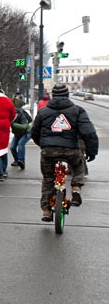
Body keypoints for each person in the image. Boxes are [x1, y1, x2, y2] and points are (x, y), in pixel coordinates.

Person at [31, 84, 98, 222]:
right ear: (67, 95)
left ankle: (46, 210)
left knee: (48, 179)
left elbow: (34, 132)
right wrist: (91, 151)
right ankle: (76, 188)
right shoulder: (78, 111)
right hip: (71, 150)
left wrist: (43, 145)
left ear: (53, 96)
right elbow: (89, 132)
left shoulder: (43, 112)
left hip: (48, 151)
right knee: (78, 167)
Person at [10, 102, 32, 170]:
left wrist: (13, 124)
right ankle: (17, 161)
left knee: (20, 144)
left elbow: (24, 126)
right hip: (17, 134)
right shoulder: (9, 116)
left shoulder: (21, 116)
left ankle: (21, 161)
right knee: (12, 147)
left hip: (27, 133)